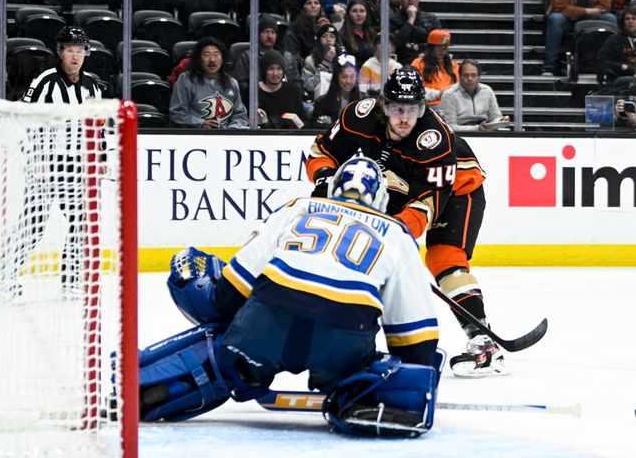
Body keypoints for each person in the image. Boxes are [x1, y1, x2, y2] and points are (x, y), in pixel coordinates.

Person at [138, 153, 440, 437]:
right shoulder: (397, 235)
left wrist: (225, 322)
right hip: (339, 346)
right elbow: (415, 334)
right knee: (374, 372)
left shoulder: (298, 207)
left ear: (333, 187)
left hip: (264, 326)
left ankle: (148, 388)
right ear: (382, 200)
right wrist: (411, 382)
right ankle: (353, 391)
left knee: (226, 352)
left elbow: (232, 289)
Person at [306, 67, 505, 378]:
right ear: (383, 105)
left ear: (422, 109)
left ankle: (484, 344)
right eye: (397, 109)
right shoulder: (360, 116)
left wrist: (392, 233)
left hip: (456, 191)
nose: (404, 118)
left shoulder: (434, 140)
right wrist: (322, 178)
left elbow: (428, 205)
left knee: (445, 259)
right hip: (399, 184)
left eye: (412, 110)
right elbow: (322, 151)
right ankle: (352, 338)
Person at [0, 26, 100, 300]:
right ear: (60, 53)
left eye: (80, 51)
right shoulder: (45, 81)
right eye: (70, 51)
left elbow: (97, 126)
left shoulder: (92, 86)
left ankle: (70, 279)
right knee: (34, 223)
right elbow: (25, 119)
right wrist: (35, 157)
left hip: (75, 166)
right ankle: (7, 279)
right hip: (45, 163)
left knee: (80, 221)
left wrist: (99, 159)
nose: (75, 56)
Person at [543, 0, 617, 76]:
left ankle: (613, 65)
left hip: (593, 15)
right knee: (555, 19)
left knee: (610, 18)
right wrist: (586, 11)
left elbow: (605, 5)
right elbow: (560, 6)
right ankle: (549, 66)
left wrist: (591, 12)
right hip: (567, 16)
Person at [169, 38, 247, 129]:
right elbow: (176, 113)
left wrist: (232, 129)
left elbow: (240, 115)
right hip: (196, 135)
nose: (212, 59)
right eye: (206, 55)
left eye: (216, 54)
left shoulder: (231, 82)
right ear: (199, 59)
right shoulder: (186, 79)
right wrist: (200, 123)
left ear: (222, 59)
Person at [233, 16, 300, 103]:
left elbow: (297, 82)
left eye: (273, 32)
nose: (269, 36)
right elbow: (241, 86)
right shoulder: (247, 57)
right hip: (259, 102)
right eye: (265, 32)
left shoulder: (286, 57)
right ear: (258, 34)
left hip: (287, 99)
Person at [439, 59, 509, 132]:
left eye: (473, 75)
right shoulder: (449, 95)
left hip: (485, 132)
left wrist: (500, 121)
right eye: (466, 75)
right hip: (460, 136)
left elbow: (495, 116)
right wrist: (476, 129)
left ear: (479, 77)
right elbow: (449, 127)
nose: (469, 79)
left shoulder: (487, 91)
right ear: (459, 76)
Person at [597, 5, 636, 91]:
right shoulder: (614, 39)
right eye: (627, 19)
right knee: (633, 81)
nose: (630, 21)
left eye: (634, 18)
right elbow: (602, 61)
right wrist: (621, 66)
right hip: (623, 77)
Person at [390, 0, 443, 65]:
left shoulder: (431, 19)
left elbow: (440, 44)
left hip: (428, 64)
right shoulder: (392, 20)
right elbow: (397, 44)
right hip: (402, 65)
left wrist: (417, 46)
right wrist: (411, 19)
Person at [257, 50, 309, 129]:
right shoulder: (253, 92)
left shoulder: (293, 91)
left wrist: (297, 123)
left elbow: (305, 122)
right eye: (271, 69)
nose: (275, 73)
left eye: (279, 69)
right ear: (264, 70)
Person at [285, 0, 332, 77]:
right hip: (306, 70)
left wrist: (327, 31)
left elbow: (337, 49)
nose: (313, 6)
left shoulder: (326, 25)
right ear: (303, 8)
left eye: (316, 3)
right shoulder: (295, 27)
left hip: (328, 67)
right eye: (309, 3)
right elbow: (294, 57)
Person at [410, 29, 459, 108]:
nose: (443, 51)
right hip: (429, 105)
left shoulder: (454, 65)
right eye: (439, 48)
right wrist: (439, 93)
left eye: (445, 48)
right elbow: (414, 89)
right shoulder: (418, 64)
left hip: (451, 105)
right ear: (431, 48)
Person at [312, 53, 364, 126]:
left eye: (352, 77)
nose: (348, 81)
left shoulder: (363, 102)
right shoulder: (322, 103)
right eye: (344, 77)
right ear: (337, 77)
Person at [302, 23, 342, 100]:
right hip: (318, 99)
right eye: (324, 36)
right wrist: (326, 62)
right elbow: (310, 87)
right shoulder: (310, 60)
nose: (328, 39)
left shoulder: (342, 59)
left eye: (332, 36)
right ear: (319, 39)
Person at [338, 0, 377, 68]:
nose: (358, 14)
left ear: (367, 13)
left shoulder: (373, 34)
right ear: (348, 14)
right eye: (354, 11)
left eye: (362, 11)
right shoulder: (342, 37)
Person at [359, 32, 402, 96]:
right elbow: (363, 93)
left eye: (388, 43)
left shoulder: (398, 67)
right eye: (380, 43)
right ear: (374, 47)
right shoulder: (367, 66)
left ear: (393, 48)